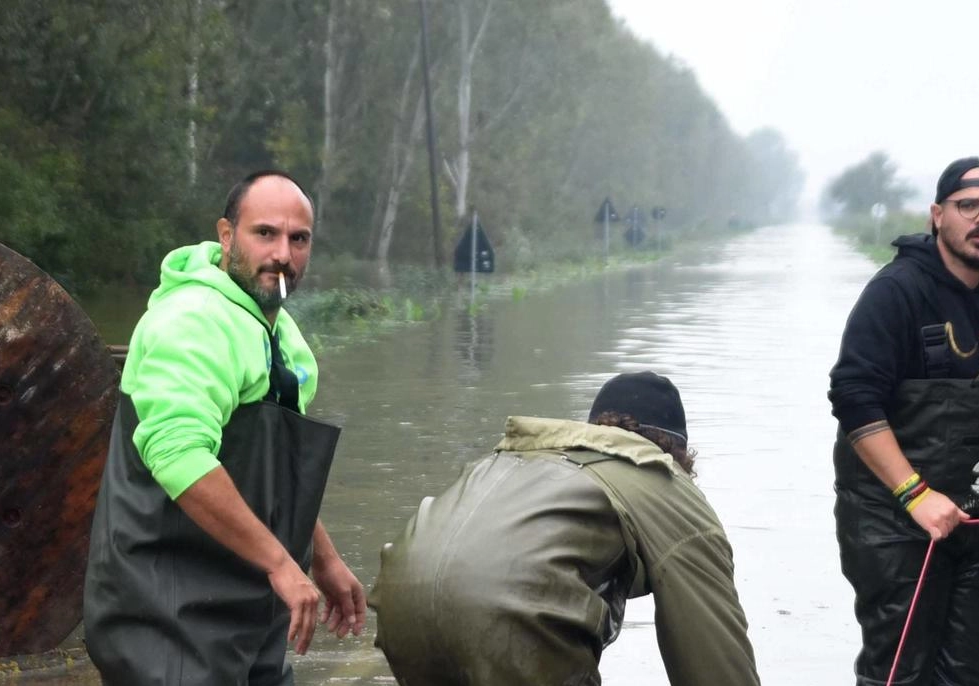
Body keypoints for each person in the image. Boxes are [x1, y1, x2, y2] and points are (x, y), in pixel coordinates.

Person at [84, 170, 366, 685]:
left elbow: (274, 468)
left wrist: (321, 558)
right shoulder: (191, 321)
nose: (283, 253)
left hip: (251, 608)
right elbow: (178, 455)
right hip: (164, 612)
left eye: (298, 239)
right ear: (226, 235)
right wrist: (283, 564)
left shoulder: (278, 331)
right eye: (265, 233)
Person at [828, 157, 979, 686]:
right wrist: (915, 494)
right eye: (968, 206)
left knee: (970, 673)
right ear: (938, 215)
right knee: (900, 671)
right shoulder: (894, 293)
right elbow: (854, 400)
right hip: (891, 520)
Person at [369, 371, 761, 686]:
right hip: (508, 612)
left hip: (402, 600)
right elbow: (715, 657)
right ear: (677, 452)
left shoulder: (521, 458)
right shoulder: (664, 481)